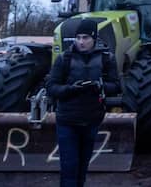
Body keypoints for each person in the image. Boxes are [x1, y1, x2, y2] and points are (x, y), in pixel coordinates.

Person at [46, 19, 120, 187]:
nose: (81, 42)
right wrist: (71, 89)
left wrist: (99, 86)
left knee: (82, 168)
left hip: (92, 120)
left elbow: (116, 86)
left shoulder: (107, 58)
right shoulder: (64, 59)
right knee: (69, 168)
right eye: (78, 38)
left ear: (94, 38)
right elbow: (51, 87)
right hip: (67, 121)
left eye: (85, 37)